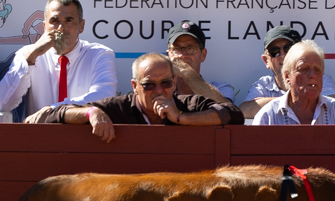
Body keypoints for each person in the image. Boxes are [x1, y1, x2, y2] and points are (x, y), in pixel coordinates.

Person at [29, 53, 241, 140]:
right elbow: (56, 115)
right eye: (149, 85)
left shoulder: (188, 104)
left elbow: (232, 113)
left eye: (166, 83)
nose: (159, 91)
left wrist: (181, 118)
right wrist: (90, 113)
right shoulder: (118, 107)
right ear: (135, 86)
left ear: (174, 83)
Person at [0, 0, 116, 115]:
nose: (61, 28)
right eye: (54, 21)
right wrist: (30, 58)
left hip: (83, 132)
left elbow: (104, 98)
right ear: (45, 27)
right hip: (39, 133)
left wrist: (52, 111)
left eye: (69, 20)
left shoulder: (99, 54)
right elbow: (3, 103)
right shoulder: (27, 53)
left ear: (81, 26)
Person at [251, 41, 335, 125]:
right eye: (303, 69)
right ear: (287, 76)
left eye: (317, 70)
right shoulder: (268, 116)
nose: (312, 75)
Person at [163, 21, 236, 103]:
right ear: (168, 55)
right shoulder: (160, 89)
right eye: (176, 49)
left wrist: (186, 72)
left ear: (203, 55)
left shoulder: (222, 89)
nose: (182, 55)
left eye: (190, 48)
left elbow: (228, 111)